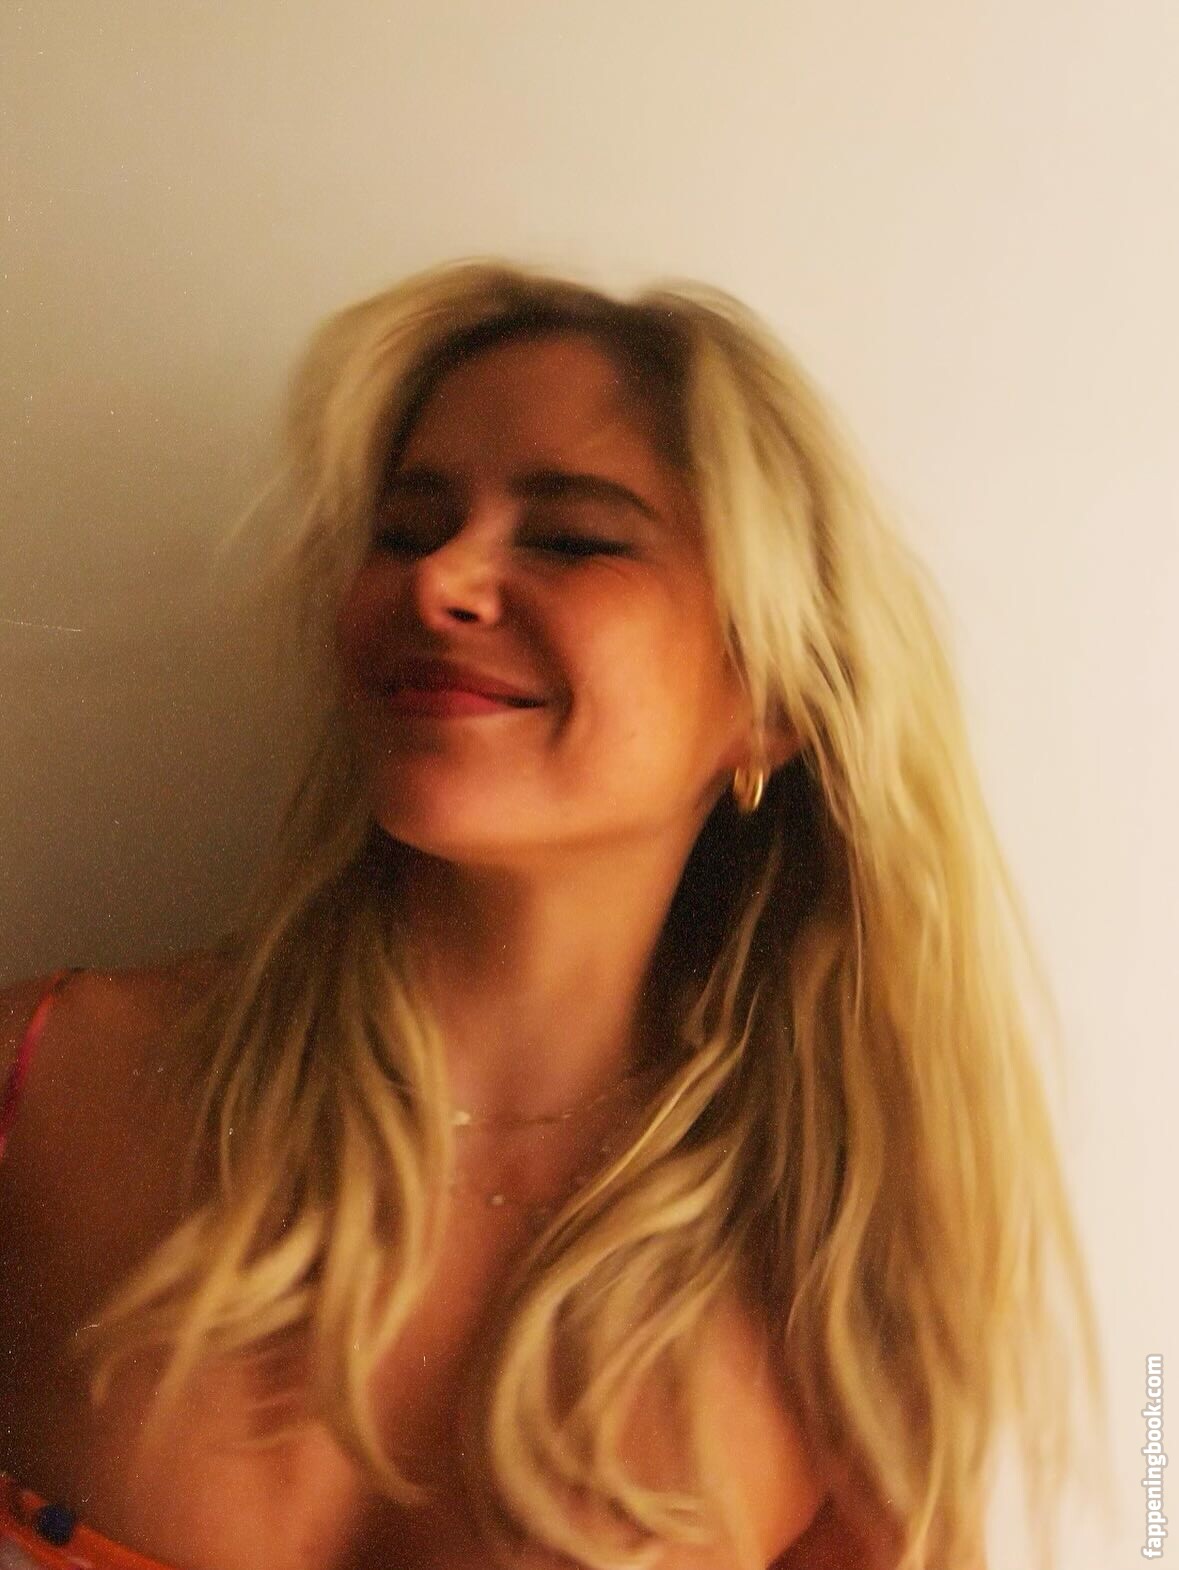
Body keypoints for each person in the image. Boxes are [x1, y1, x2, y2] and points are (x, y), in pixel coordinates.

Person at [0, 259, 1101, 1570]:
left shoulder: (844, 1290)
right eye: (407, 527)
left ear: (771, 700)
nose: (440, 581)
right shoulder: (42, 1084)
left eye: (573, 538)